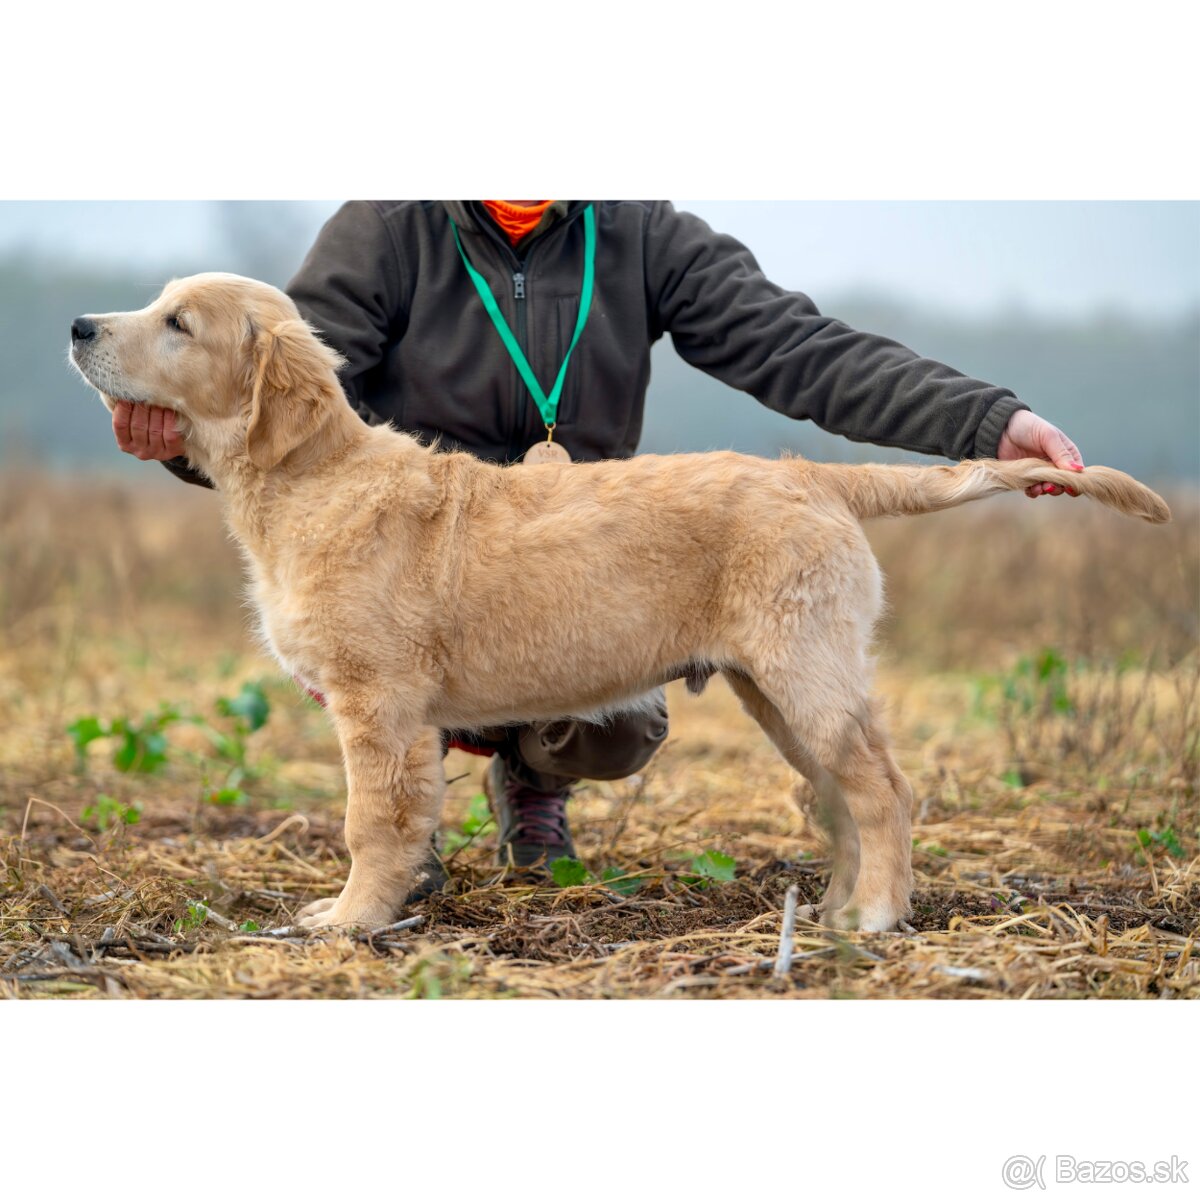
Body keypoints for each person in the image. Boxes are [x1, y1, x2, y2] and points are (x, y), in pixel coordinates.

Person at [112, 199, 1085, 887]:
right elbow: (270, 391)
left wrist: (985, 423)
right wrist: (178, 439)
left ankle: (532, 783)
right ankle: (412, 825)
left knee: (618, 717)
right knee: (381, 666)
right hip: (408, 553)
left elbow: (801, 348)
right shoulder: (387, 224)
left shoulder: (641, 231)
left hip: (591, 550)